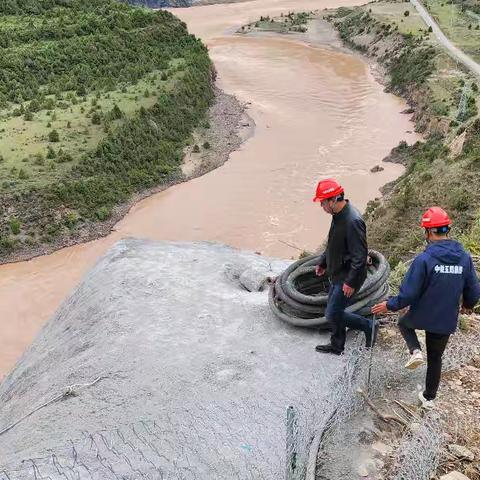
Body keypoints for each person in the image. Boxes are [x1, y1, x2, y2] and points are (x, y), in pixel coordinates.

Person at [372, 206, 480, 409]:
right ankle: (429, 398)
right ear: (447, 230)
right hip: (445, 319)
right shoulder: (464, 258)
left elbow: (409, 293)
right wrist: (467, 305)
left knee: (404, 322)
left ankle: (415, 351)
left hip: (422, 314)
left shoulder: (424, 259)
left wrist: (390, 305)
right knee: (436, 358)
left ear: (429, 232)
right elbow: (473, 290)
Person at [313, 178, 376, 355]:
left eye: (323, 202)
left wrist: (350, 282)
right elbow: (332, 242)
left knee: (332, 313)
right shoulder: (338, 215)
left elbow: (360, 256)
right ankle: (337, 345)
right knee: (334, 310)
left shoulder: (352, 221)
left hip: (348, 276)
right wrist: (323, 262)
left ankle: (369, 326)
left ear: (333, 200)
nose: (322, 207)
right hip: (338, 272)